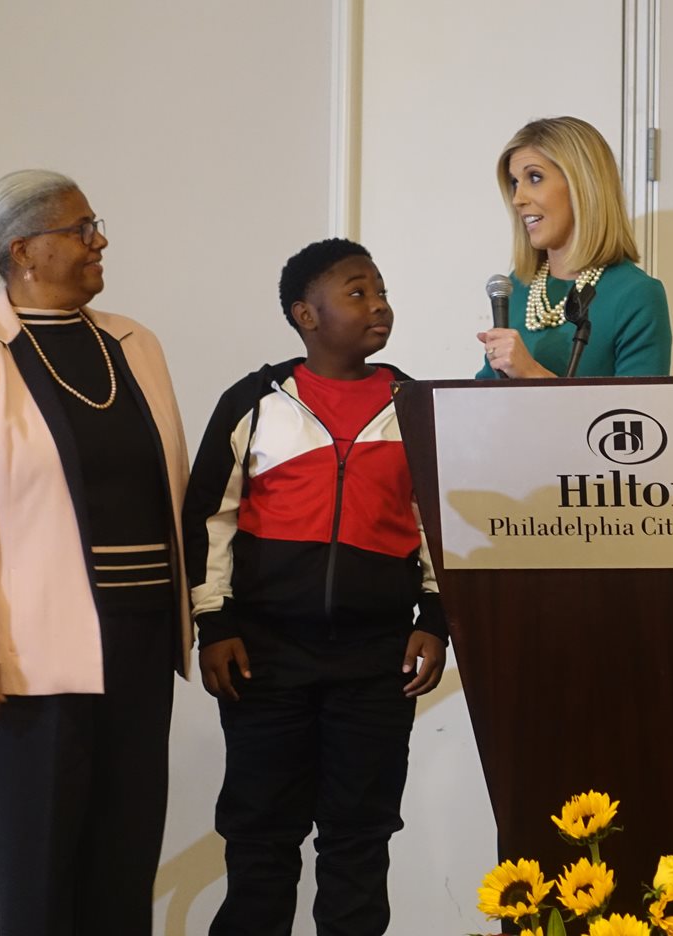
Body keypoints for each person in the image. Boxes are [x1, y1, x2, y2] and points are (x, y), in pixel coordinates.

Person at [0, 169, 192, 936]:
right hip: (28, 661)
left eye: (97, 224)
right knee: (37, 883)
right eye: (82, 228)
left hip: (138, 642)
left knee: (123, 872)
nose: (100, 241)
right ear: (24, 251)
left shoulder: (136, 343)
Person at [183, 238, 448, 936]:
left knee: (358, 842)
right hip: (264, 658)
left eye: (382, 290)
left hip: (375, 661)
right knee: (261, 841)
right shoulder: (256, 403)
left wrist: (436, 619)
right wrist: (215, 625)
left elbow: (439, 526)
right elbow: (209, 518)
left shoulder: (413, 405)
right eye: (357, 292)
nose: (379, 304)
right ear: (306, 314)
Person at [476, 115, 672, 378]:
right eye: (514, 183)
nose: (518, 199)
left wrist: (532, 373)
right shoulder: (518, 289)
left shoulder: (635, 295)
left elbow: (635, 416)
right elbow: (481, 406)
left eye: (534, 177)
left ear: (583, 184)